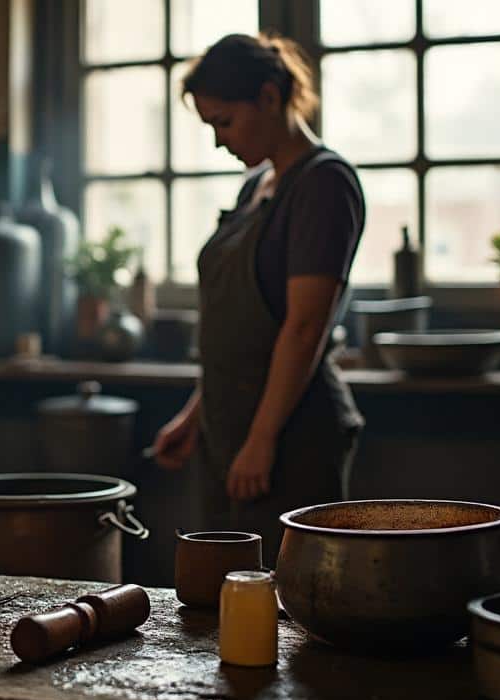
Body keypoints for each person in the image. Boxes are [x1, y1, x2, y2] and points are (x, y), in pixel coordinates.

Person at [150, 33, 366, 564]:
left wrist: (262, 439)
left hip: (289, 437)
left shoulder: (323, 185)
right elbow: (241, 331)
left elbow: (303, 328)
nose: (220, 142)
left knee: (285, 604)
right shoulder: (256, 187)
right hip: (229, 428)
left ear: (270, 98)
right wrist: (194, 414)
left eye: (224, 122)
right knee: (219, 597)